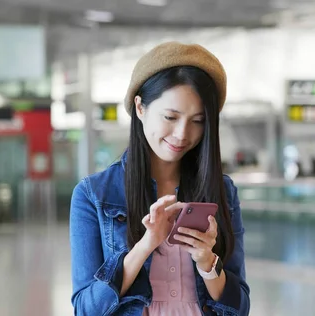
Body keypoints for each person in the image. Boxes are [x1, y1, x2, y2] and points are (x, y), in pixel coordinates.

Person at [69, 42, 250, 316]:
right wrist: (146, 244)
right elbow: (86, 309)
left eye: (198, 120)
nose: (181, 133)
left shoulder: (222, 190)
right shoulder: (94, 194)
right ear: (140, 108)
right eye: (170, 117)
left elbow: (241, 308)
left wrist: (207, 261)